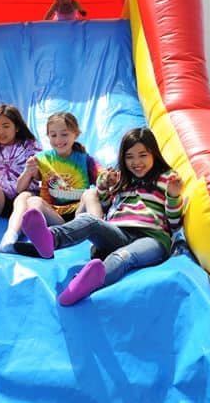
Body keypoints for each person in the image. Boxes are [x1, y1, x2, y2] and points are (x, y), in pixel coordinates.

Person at [20, 127, 184, 305]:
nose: (136, 162)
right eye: (129, 157)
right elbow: (105, 205)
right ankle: (50, 239)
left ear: (154, 153)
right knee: (89, 220)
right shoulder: (123, 179)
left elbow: (174, 224)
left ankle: (87, 283)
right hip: (118, 233)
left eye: (143, 155)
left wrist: (173, 196)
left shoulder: (166, 178)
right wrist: (105, 187)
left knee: (123, 256)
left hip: (151, 238)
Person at [0, 112, 101, 253]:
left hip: (78, 216)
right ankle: (17, 238)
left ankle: (98, 240)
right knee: (33, 201)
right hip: (55, 217)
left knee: (91, 193)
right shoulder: (42, 159)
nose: (59, 139)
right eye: (53, 135)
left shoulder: (84, 159)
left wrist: (108, 178)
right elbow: (19, 188)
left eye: (64, 134)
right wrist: (28, 171)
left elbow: (101, 179)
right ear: (48, 136)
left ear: (75, 134)